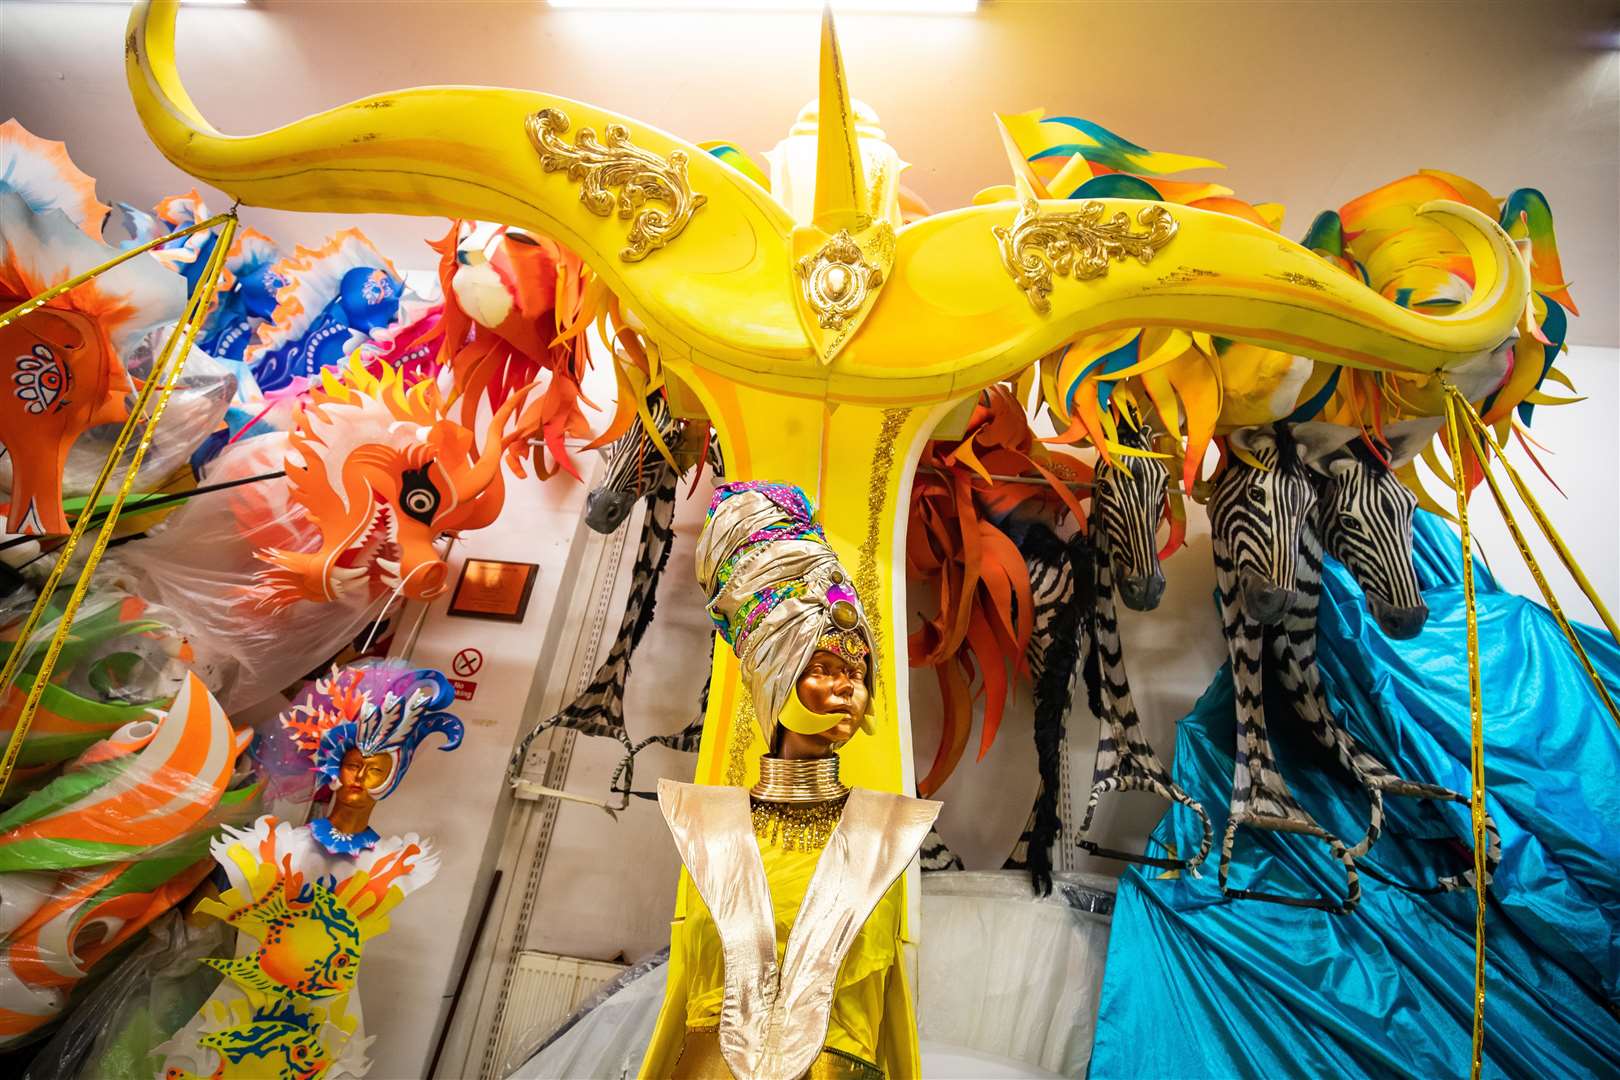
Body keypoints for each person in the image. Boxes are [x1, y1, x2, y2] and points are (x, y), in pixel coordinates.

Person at [642, 482, 941, 1080]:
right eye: (824, 668)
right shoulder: (705, 822)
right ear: (774, 677)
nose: (846, 689)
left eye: (856, 674)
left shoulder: (889, 831)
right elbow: (683, 990)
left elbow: (893, 1009)